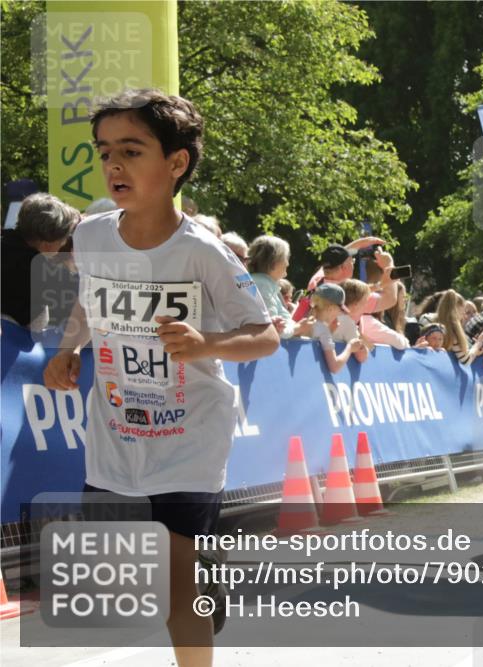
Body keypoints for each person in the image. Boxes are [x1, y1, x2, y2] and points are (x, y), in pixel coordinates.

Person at [42, 89, 279, 667]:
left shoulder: (204, 251)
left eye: (131, 150)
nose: (113, 165)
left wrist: (208, 344)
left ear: (176, 163)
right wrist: (70, 349)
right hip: (116, 432)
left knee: (174, 585)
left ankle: (194, 598)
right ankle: (201, 583)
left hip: (188, 437)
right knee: (131, 577)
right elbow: (88, 303)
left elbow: (267, 335)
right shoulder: (93, 236)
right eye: (103, 152)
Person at [1, 192, 81, 328]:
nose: (64, 243)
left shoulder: (5, 243)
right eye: (65, 237)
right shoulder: (41, 270)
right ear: (47, 244)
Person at [290, 240, 395, 321]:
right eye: (352, 261)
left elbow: (334, 257)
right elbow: (390, 299)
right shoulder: (353, 296)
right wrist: (389, 264)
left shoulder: (316, 281)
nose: (354, 263)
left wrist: (360, 242)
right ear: (343, 267)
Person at [246, 235, 301, 339]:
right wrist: (299, 328)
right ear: (274, 263)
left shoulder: (253, 282)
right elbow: (273, 329)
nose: (288, 263)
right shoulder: (263, 285)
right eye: (286, 258)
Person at [308, 283, 364, 373]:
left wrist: (330, 332)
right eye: (340, 310)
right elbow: (334, 367)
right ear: (330, 309)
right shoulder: (324, 331)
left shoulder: (306, 322)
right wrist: (350, 348)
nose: (339, 314)